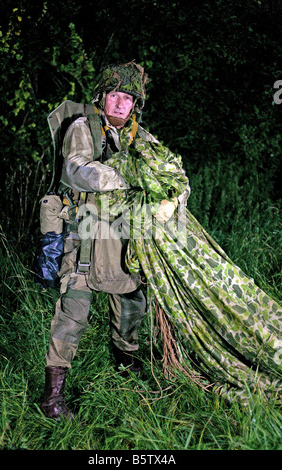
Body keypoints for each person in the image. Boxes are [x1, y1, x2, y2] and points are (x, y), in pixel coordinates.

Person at [40, 61, 178, 420]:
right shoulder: (84, 129)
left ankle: (125, 370)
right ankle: (53, 396)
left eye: (128, 98)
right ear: (102, 97)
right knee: (72, 316)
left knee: (132, 309)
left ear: (136, 104)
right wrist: (125, 175)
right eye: (115, 95)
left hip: (125, 242)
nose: (121, 104)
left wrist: (174, 197)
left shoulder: (143, 139)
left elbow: (172, 174)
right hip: (86, 238)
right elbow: (76, 169)